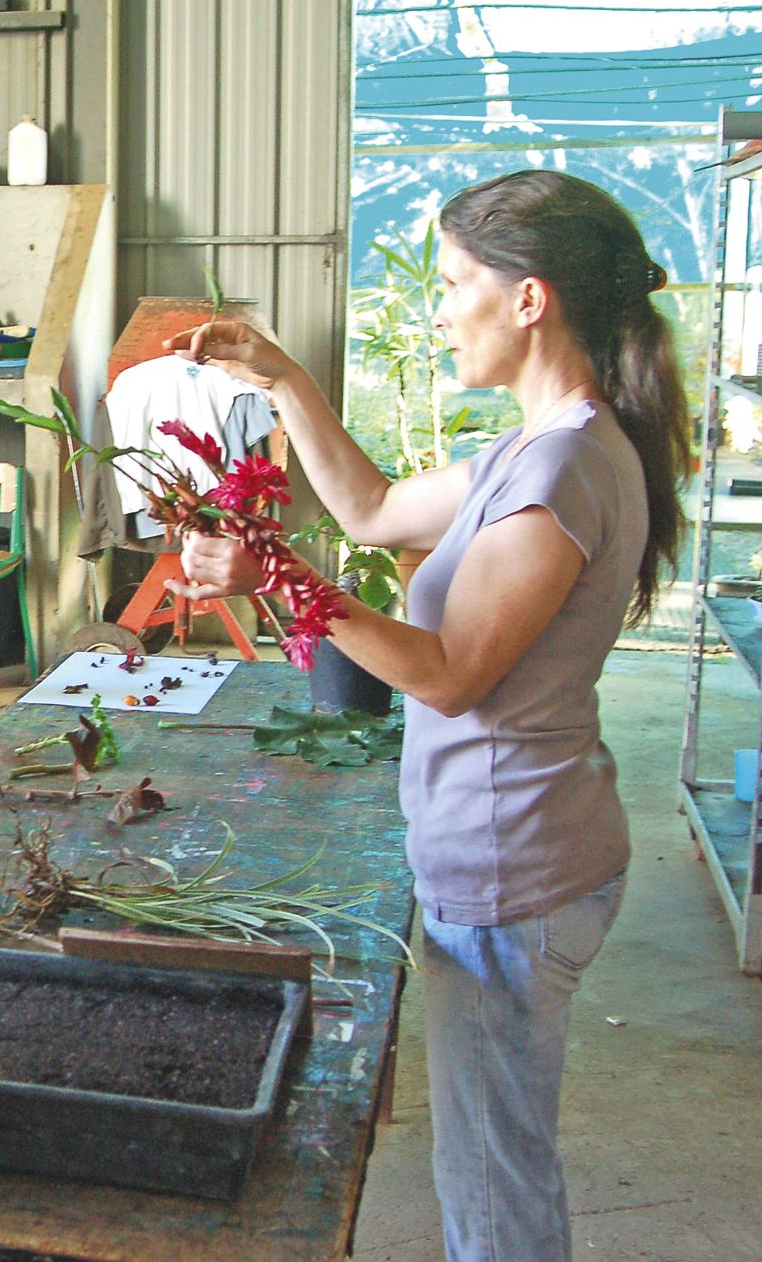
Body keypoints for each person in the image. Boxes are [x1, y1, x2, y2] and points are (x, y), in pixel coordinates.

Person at [164, 169, 690, 1262]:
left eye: (453, 284)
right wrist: (283, 377)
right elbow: (369, 509)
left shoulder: (558, 466)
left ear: (529, 298)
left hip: (511, 865)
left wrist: (280, 577)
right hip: (527, 843)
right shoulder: (541, 444)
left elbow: (449, 674)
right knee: (492, 1157)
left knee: (492, 1180)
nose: (439, 309)